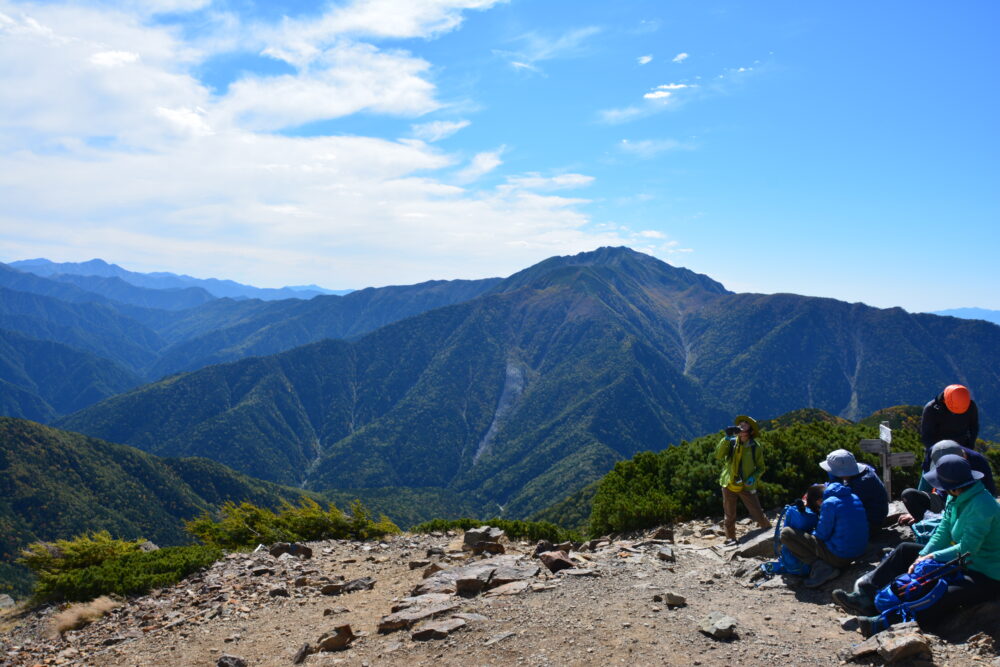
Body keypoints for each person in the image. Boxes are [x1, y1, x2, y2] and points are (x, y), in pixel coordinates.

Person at [831, 455, 1000, 637]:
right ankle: (866, 597)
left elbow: (968, 549)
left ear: (953, 486)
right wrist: (923, 555)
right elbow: (943, 532)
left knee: (946, 593)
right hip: (962, 561)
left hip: (986, 572)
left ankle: (889, 622)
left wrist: (932, 557)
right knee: (905, 550)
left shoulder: (983, 506)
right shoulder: (956, 497)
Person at [779, 479, 868, 588]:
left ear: (820, 501)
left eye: (816, 506)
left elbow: (821, 535)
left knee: (786, 533)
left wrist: (810, 531)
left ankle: (821, 568)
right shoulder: (854, 496)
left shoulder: (829, 503)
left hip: (841, 557)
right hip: (860, 551)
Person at [899, 440, 997, 526]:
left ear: (964, 457)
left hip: (968, 505)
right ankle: (931, 522)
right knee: (908, 495)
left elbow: (989, 493)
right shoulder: (933, 452)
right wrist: (915, 511)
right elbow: (925, 479)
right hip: (942, 500)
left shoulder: (978, 461)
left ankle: (936, 523)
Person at [714, 415, 771, 546]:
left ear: (751, 430)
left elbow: (761, 467)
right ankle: (730, 539)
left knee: (757, 512)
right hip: (729, 482)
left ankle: (770, 532)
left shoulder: (755, 447)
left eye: (746, 423)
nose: (742, 424)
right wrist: (726, 438)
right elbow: (718, 455)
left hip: (746, 485)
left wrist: (753, 478)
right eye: (741, 423)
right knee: (729, 514)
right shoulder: (731, 441)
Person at [919, 385, 979, 492]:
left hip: (962, 450)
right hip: (937, 450)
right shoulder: (932, 409)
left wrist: (969, 448)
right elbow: (927, 436)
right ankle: (921, 501)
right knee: (928, 480)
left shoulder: (970, 406)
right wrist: (937, 454)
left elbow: (974, 427)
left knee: (964, 484)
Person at [821, 449, 888, 536]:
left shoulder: (861, 484)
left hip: (872, 523)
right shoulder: (863, 471)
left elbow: (839, 503)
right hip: (872, 516)